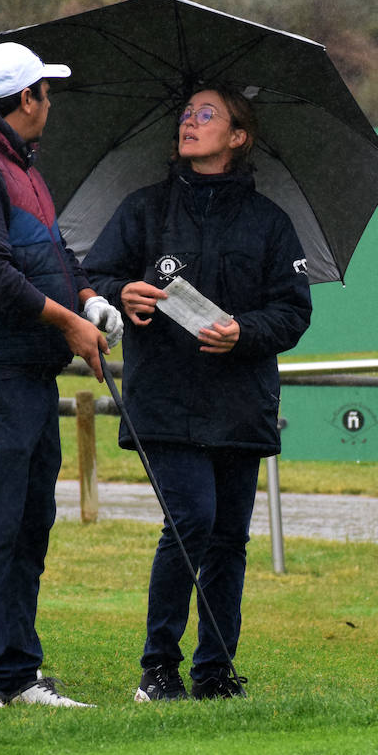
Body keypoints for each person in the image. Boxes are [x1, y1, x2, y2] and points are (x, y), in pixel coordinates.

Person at [83, 84, 311, 702]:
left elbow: (293, 313)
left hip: (241, 402)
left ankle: (214, 672)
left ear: (239, 137)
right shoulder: (144, 210)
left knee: (229, 538)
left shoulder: (270, 223)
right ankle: (158, 669)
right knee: (191, 521)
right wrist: (120, 294)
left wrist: (245, 332)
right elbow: (92, 276)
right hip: (166, 399)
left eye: (206, 114)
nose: (190, 122)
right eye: (186, 114)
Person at [0, 42, 123, 710]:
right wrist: (68, 324)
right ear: (25, 99)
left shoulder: (17, 164)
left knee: (30, 519)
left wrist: (88, 297)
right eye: (45, 90)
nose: (50, 103)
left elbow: (48, 253)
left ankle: (15, 672)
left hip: (26, 373)